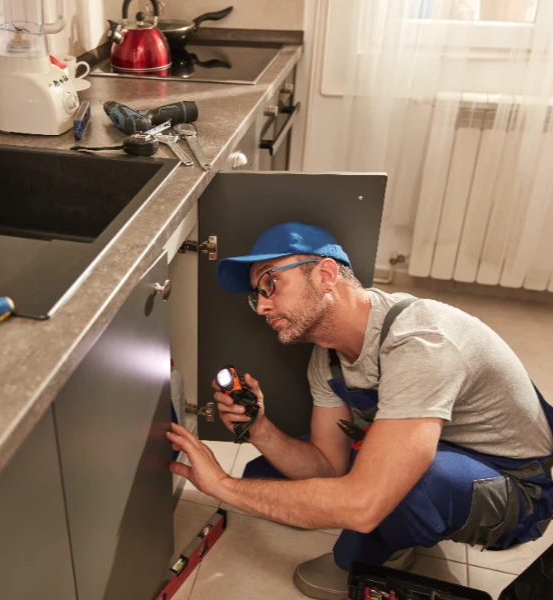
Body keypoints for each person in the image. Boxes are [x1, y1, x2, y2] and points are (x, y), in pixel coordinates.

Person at [168, 222, 553, 600]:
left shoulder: (422, 343)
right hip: (436, 446)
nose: (262, 306)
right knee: (267, 474)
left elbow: (363, 504)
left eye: (270, 282)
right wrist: (260, 429)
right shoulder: (327, 357)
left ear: (326, 274)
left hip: (514, 485)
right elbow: (327, 464)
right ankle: (401, 511)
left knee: (399, 489)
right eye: (257, 294)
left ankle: (395, 544)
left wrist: (221, 485)